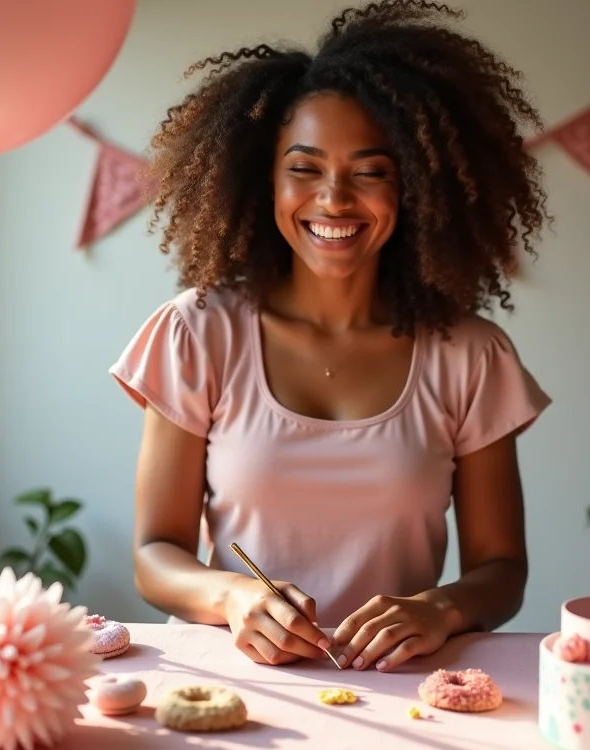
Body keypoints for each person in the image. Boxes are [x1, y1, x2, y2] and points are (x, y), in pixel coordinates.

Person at [110, 0, 552, 673]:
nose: (335, 199)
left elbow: (501, 568)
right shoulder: (195, 334)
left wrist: (441, 608)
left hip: (407, 698)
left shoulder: (471, 355)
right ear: (265, 181)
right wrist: (231, 596)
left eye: (371, 172)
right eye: (305, 168)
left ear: (416, 187)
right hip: (239, 691)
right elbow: (154, 555)